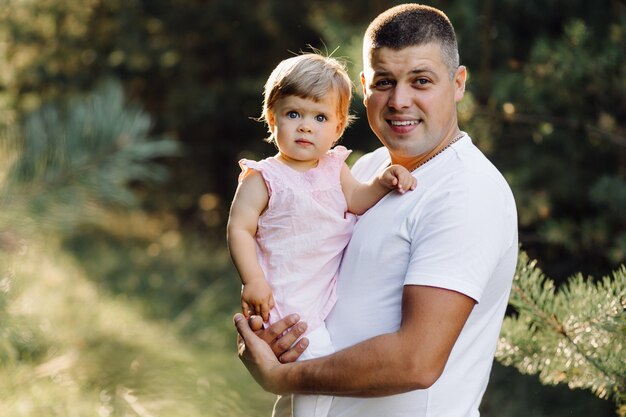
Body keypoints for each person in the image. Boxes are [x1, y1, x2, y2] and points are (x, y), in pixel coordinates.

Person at [234, 3, 519, 417]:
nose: (399, 100)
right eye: (385, 81)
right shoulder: (362, 171)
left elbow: (416, 361)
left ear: (458, 83)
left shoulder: (468, 192)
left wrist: (280, 377)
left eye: (421, 81)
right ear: (365, 87)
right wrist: (269, 333)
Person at [227, 52, 416, 417]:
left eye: (320, 117)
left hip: (321, 293)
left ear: (338, 126)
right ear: (272, 118)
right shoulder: (263, 177)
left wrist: (384, 181)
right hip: (285, 294)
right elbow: (239, 227)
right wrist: (252, 280)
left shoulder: (335, 168)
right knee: (311, 364)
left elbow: (358, 200)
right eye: (293, 114)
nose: (305, 127)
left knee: (318, 367)